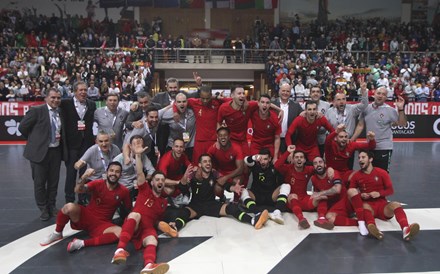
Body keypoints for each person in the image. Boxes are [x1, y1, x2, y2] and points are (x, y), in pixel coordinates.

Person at [158, 154, 269, 237]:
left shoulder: (214, 173)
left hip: (211, 204)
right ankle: (174, 228)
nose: (208, 163)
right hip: (195, 206)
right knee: (184, 213)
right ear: (200, 164)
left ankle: (253, 221)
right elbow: (182, 188)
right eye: (205, 161)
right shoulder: (192, 174)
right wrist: (183, 179)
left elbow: (224, 184)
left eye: (209, 161)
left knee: (231, 208)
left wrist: (233, 188)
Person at [40, 163, 132, 251]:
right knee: (69, 207)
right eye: (111, 170)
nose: (114, 174)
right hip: (86, 216)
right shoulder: (98, 183)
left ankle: (82, 243)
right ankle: (57, 233)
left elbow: (129, 209)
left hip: (102, 224)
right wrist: (84, 177)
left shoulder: (124, 191)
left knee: (120, 232)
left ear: (120, 175)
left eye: (117, 171)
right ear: (107, 172)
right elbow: (78, 190)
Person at [111, 144, 171, 274]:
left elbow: (156, 221)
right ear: (152, 182)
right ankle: (120, 250)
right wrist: (138, 155)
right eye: (157, 179)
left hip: (147, 228)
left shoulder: (163, 203)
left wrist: (166, 226)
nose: (160, 182)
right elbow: (139, 173)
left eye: (162, 180)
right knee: (135, 215)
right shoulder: (145, 190)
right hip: (135, 224)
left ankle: (148, 265)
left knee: (153, 240)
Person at [347, 150, 420, 241]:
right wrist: (361, 195)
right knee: (365, 206)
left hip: (382, 206)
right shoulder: (356, 176)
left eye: (363, 157)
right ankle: (373, 229)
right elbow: (351, 192)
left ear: (370, 159)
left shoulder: (381, 172)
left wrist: (379, 193)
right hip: (368, 206)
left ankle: (406, 229)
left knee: (396, 204)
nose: (360, 160)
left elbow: (390, 190)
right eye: (359, 158)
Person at [19, 88, 67, 221]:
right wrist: (35, 141)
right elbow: (22, 127)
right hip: (39, 152)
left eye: (58, 98)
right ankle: (43, 208)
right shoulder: (36, 111)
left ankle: (52, 206)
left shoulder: (61, 112)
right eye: (53, 97)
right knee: (39, 183)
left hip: (55, 151)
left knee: (54, 181)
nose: (56, 100)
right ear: (46, 98)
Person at [352, 87, 407, 172]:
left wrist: (400, 109)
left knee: (382, 174)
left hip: (384, 147)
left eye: (383, 94)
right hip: (370, 147)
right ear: (374, 95)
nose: (380, 96)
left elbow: (402, 124)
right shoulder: (366, 108)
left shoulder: (390, 110)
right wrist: (352, 139)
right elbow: (360, 125)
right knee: (368, 173)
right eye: (378, 93)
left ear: (386, 97)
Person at [60, 81, 96, 203]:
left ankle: (83, 197)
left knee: (84, 173)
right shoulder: (65, 103)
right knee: (70, 173)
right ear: (75, 91)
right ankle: (69, 198)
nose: (83, 92)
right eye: (80, 90)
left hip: (86, 143)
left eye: (85, 90)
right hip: (71, 144)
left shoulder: (91, 104)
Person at [241, 149, 290, 225]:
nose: (263, 162)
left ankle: (277, 212)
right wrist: (254, 157)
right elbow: (246, 160)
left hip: (271, 196)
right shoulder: (255, 166)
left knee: (286, 186)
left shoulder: (274, 167)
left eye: (265, 159)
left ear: (270, 159)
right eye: (261, 159)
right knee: (242, 191)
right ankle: (257, 213)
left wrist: (288, 151)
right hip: (256, 196)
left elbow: (281, 161)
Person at [274, 145, 316, 229]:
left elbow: (321, 168)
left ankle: (322, 218)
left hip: (304, 198)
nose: (299, 159)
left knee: (320, 197)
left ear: (304, 160)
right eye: (296, 157)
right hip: (290, 200)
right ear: (292, 160)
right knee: (293, 196)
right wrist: (288, 152)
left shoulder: (309, 169)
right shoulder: (288, 168)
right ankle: (301, 219)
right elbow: (277, 165)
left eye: (301, 157)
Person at [113, 135, 155, 200]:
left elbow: (151, 170)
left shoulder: (143, 156)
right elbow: (113, 174)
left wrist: (146, 179)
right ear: (130, 146)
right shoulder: (119, 158)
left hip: (137, 186)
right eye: (135, 144)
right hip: (124, 187)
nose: (138, 146)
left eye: (140, 144)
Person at [208, 127, 244, 197]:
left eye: (225, 135)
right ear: (217, 137)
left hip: (234, 173)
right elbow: (205, 160)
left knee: (236, 181)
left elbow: (240, 169)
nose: (223, 137)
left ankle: (237, 200)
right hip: (220, 173)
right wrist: (213, 170)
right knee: (217, 189)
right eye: (220, 135)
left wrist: (226, 177)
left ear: (229, 136)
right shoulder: (213, 147)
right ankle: (222, 200)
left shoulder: (236, 148)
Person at [309, 157, 343, 230]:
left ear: (325, 165)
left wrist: (321, 193)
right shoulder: (313, 179)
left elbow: (337, 189)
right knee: (321, 198)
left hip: (341, 201)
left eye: (320, 162)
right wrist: (318, 195)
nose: (318, 165)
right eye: (315, 163)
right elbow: (317, 193)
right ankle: (321, 218)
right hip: (329, 203)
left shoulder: (333, 173)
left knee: (330, 217)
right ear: (313, 167)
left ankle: (358, 222)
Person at [159, 92, 196, 160]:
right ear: (175, 103)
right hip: (173, 146)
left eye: (184, 101)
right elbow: (156, 115)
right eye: (179, 102)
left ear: (187, 102)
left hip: (189, 146)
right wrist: (170, 106)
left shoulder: (193, 112)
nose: (182, 104)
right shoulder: (169, 113)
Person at [156, 138, 192, 206]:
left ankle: (181, 195)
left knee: (189, 178)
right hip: (160, 181)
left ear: (184, 148)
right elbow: (162, 180)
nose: (179, 149)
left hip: (173, 177)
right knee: (170, 190)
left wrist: (189, 176)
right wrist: (178, 182)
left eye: (181, 147)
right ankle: (168, 198)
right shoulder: (166, 160)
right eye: (176, 146)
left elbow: (191, 167)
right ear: (172, 147)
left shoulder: (183, 155)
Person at [272, 83, 303, 153]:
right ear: (279, 91)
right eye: (283, 91)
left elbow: (303, 115)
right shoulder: (272, 104)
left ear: (290, 93)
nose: (285, 93)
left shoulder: (296, 105)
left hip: (291, 140)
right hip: (274, 140)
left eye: (287, 91)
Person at [250, 94, 281, 162]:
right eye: (262, 102)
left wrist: (275, 157)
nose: (265, 105)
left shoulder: (275, 118)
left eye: (267, 103)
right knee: (250, 160)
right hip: (256, 144)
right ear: (258, 103)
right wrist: (279, 109)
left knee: (278, 162)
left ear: (270, 105)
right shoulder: (252, 113)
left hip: (269, 145)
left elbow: (277, 138)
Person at [309, 85, 331, 156]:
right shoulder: (304, 106)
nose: (315, 93)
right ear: (310, 94)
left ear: (321, 94)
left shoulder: (327, 105)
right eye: (313, 92)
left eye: (318, 92)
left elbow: (330, 122)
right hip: (310, 139)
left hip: (323, 139)